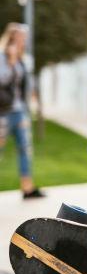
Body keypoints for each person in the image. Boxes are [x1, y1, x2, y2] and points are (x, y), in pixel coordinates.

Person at [0, 23, 44, 199]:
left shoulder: (23, 59)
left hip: (19, 112)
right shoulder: (3, 57)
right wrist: (10, 61)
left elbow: (26, 84)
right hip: (3, 112)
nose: (23, 41)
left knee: (25, 148)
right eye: (20, 38)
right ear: (12, 38)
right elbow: (2, 80)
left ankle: (27, 188)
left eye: (24, 39)